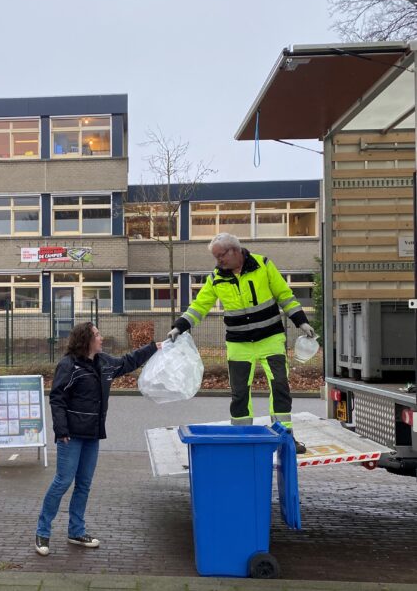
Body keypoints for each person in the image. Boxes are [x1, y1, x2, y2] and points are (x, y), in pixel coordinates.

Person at [168, 233, 315, 454]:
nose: (218, 262)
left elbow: (285, 296)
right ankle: (242, 438)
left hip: (271, 339)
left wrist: (301, 322)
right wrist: (179, 326)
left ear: (234, 251)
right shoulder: (216, 278)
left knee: (280, 388)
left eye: (220, 256)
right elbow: (199, 306)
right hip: (239, 344)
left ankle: (285, 439)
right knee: (239, 394)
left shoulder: (263, 265)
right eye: (216, 258)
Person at [35, 322, 161, 556]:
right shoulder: (68, 365)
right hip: (70, 436)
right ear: (86, 340)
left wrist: (155, 347)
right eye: (97, 335)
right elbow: (57, 398)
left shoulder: (103, 363)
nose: (101, 338)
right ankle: (43, 531)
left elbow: (128, 361)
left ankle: (76, 531)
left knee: (84, 484)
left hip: (92, 435)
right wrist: (61, 431)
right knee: (63, 482)